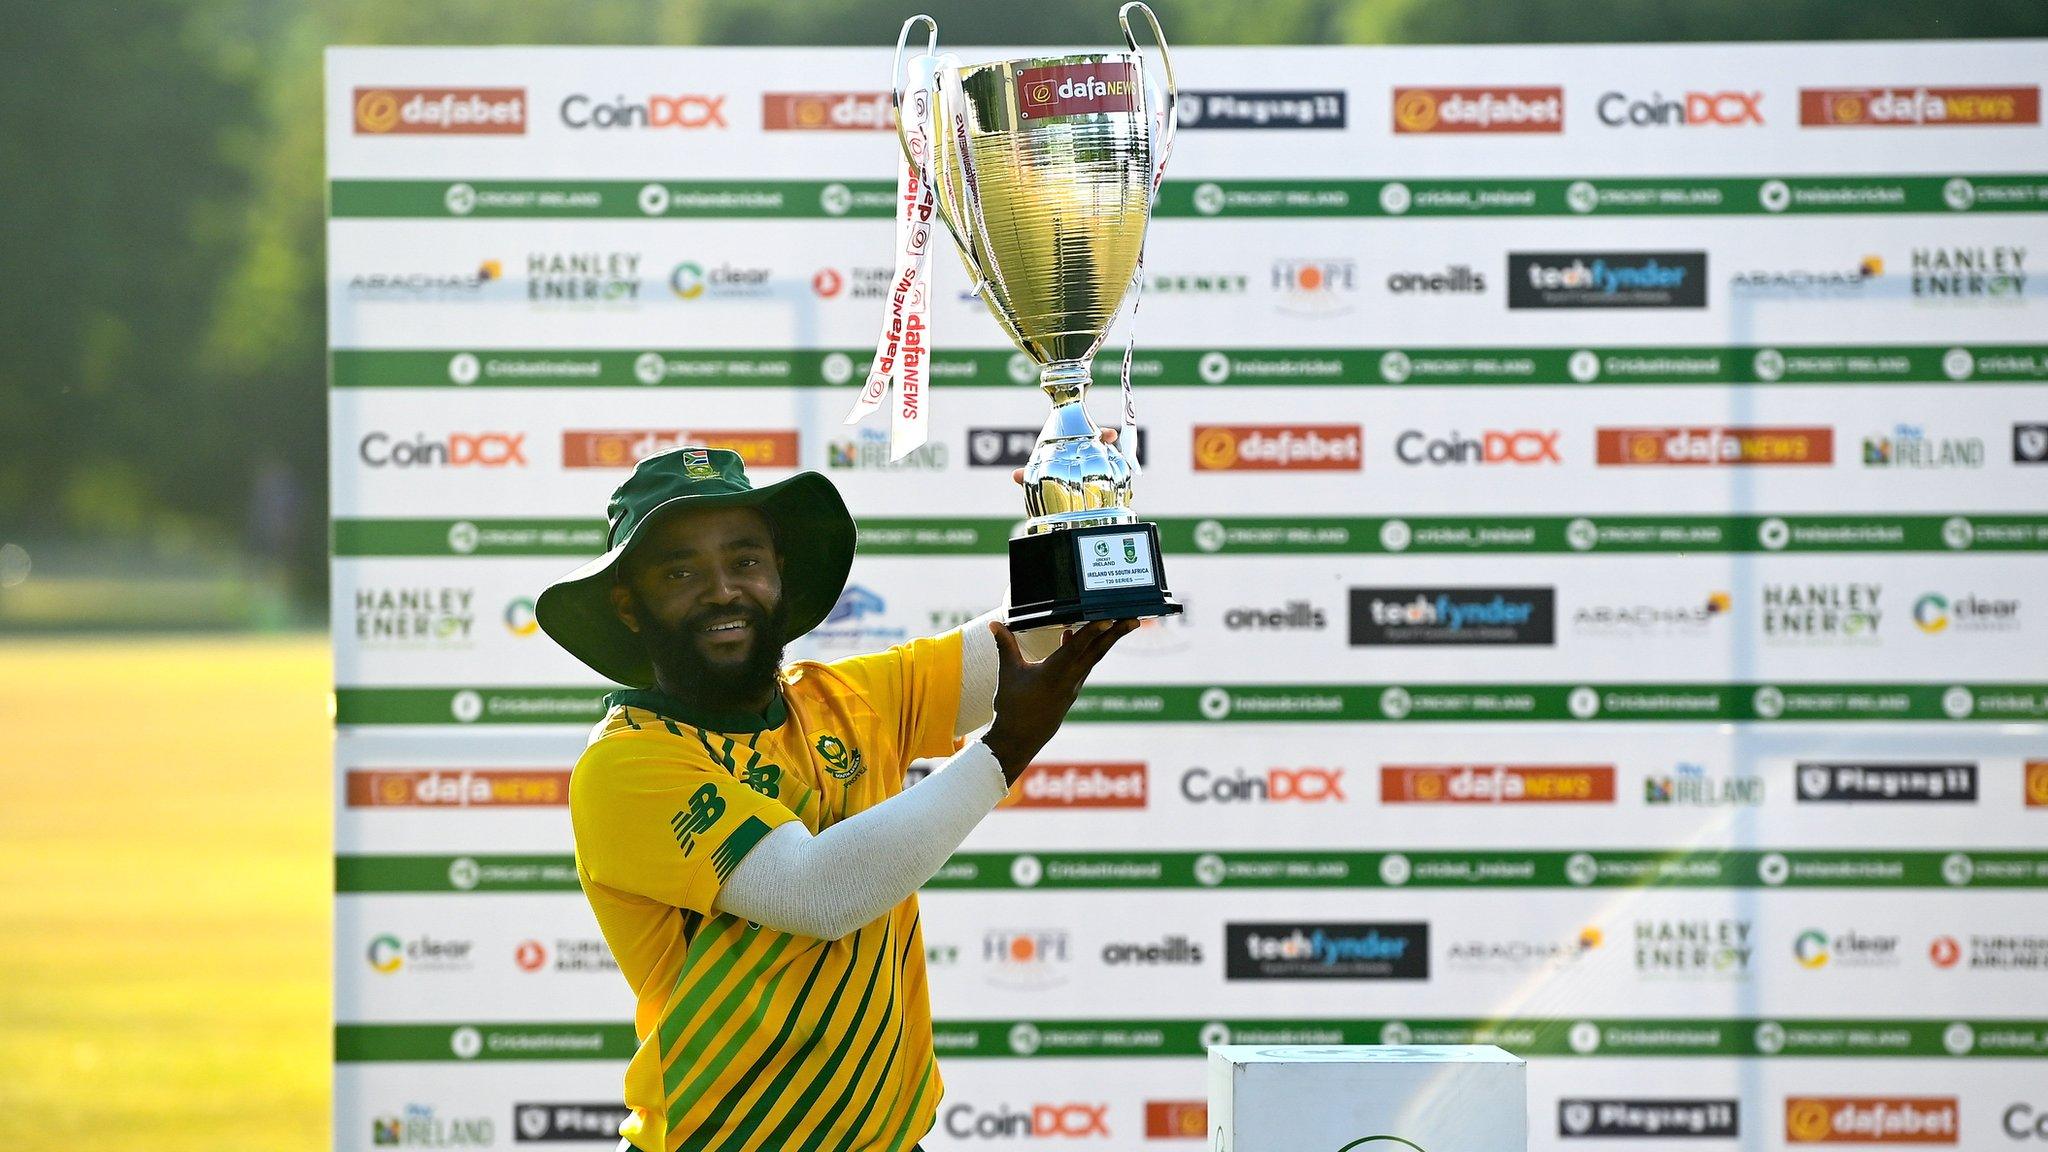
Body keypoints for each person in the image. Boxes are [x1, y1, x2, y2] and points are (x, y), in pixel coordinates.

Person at [535, 443, 1135, 1152]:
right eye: (679, 571)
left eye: (745, 560)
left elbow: (1021, 642)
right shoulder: (627, 760)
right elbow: (816, 893)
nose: (722, 589)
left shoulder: (842, 697)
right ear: (628, 607)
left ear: (779, 575)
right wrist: (1004, 752)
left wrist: (1071, 523)